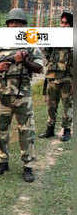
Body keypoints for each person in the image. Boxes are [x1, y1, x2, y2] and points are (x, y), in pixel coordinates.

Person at [0, 8, 44, 183]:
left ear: (24, 26)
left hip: (23, 96)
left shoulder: (30, 43)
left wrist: (25, 61)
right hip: (3, 96)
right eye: (12, 22)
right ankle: (2, 161)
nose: (15, 25)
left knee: (26, 131)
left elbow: (39, 68)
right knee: (1, 131)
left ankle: (27, 166)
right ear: (7, 25)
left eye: (19, 23)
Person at [38, 10, 73, 142]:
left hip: (68, 77)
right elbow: (46, 50)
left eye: (67, 23)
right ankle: (50, 129)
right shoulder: (54, 36)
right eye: (62, 22)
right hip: (52, 76)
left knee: (67, 105)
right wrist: (51, 62)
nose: (63, 25)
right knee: (51, 104)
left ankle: (67, 130)